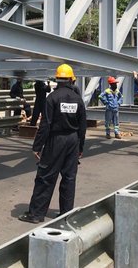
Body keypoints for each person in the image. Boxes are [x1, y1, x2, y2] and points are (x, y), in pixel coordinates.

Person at [19, 63, 87, 223]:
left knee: (46, 176)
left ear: (57, 79)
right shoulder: (78, 100)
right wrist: (80, 148)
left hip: (55, 141)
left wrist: (37, 146)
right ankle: (66, 215)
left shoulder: (52, 98)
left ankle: (36, 214)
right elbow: (82, 127)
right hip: (72, 140)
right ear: (72, 80)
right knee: (69, 178)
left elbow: (45, 124)